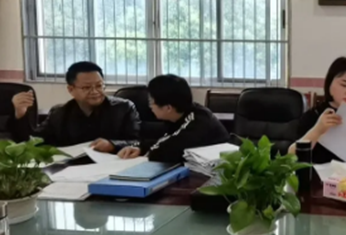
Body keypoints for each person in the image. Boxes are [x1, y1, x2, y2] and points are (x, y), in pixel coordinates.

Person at [8, 61, 140, 152]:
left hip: (113, 166)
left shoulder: (124, 108)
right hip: (70, 170)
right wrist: (20, 113)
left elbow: (138, 142)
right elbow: (34, 143)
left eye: (99, 85)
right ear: (71, 89)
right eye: (86, 87)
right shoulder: (59, 113)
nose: (95, 91)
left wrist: (113, 145)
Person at [118, 74, 229, 164]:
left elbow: (165, 151)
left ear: (168, 108)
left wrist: (147, 150)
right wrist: (140, 148)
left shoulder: (197, 121)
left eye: (151, 102)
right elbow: (164, 139)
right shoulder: (178, 115)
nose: (150, 106)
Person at [289, 57, 346, 165]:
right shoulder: (314, 114)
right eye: (344, 85)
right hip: (320, 174)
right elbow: (291, 156)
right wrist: (318, 130)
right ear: (329, 85)